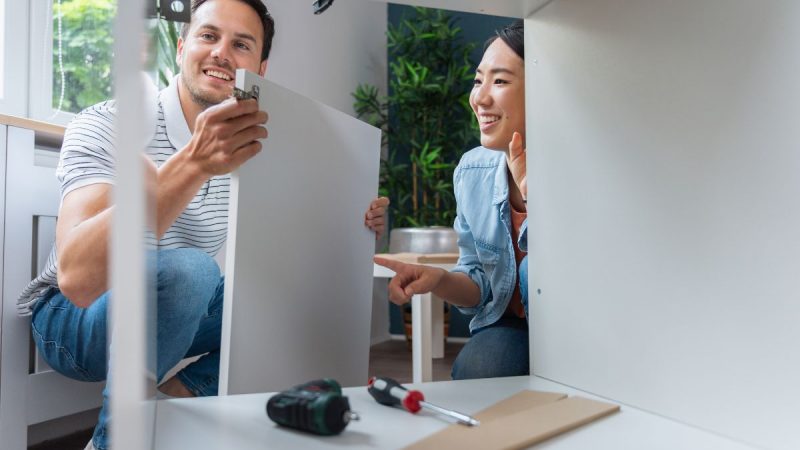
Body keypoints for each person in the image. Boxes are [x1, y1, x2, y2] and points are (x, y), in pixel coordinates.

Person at [16, 1, 388, 449]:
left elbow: (294, 251)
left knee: (300, 295)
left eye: (241, 44)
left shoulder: (255, 152)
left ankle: (168, 408)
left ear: (260, 69)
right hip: (71, 321)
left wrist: (356, 220)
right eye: (208, 36)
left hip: (165, 305)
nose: (221, 53)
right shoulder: (108, 123)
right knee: (193, 271)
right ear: (181, 47)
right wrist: (192, 163)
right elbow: (79, 280)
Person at [374, 21, 528, 380]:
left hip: (580, 330)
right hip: (512, 324)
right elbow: (479, 282)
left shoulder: (582, 170)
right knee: (477, 370)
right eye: (478, 81)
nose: (480, 97)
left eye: (500, 81)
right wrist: (438, 279)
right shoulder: (472, 171)